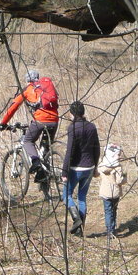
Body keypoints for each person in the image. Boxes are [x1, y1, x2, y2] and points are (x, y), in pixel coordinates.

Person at [0, 69, 59, 181]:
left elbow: (13, 107)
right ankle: (45, 174)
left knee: (27, 141)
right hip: (54, 120)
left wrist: (3, 123)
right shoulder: (46, 87)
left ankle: (36, 163)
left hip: (41, 120)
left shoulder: (28, 89)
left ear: (27, 80)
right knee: (44, 147)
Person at [61, 101, 100, 236]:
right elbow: (97, 149)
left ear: (72, 114)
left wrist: (64, 171)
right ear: (83, 112)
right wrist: (95, 167)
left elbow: (69, 151)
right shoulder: (92, 127)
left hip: (75, 168)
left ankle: (76, 218)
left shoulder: (72, 128)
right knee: (82, 197)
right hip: (89, 167)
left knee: (66, 195)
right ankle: (79, 230)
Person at [96, 144, 127, 239]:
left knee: (107, 211)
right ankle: (112, 230)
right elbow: (119, 181)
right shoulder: (117, 167)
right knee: (113, 211)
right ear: (114, 155)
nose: (120, 156)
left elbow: (96, 174)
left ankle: (109, 230)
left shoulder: (102, 165)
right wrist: (125, 178)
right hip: (115, 193)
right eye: (118, 155)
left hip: (105, 193)